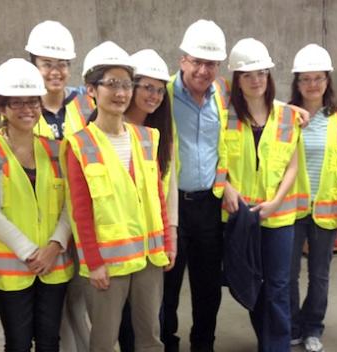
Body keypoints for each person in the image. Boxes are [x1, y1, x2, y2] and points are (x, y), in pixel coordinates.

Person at [61, 41, 175, 352]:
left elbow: (157, 196)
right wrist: (93, 262)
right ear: (91, 90)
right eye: (111, 84)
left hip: (149, 258)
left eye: (125, 84)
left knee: (150, 337)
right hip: (106, 265)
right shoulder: (80, 144)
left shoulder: (147, 137)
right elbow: (79, 211)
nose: (121, 92)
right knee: (104, 341)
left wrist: (167, 241)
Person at [0, 58, 73, 351]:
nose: (27, 110)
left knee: (49, 340)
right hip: (11, 268)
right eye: (16, 103)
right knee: (17, 343)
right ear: (2, 109)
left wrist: (54, 246)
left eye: (32, 102)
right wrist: (31, 253)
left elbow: (71, 204)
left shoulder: (56, 150)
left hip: (54, 263)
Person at [217, 37, 301, 351]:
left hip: (278, 217)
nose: (256, 80)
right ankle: (266, 337)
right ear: (236, 80)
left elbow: (293, 164)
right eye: (248, 74)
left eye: (262, 73)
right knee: (251, 283)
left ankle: (276, 346)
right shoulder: (224, 116)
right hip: (241, 216)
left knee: (278, 287)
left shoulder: (288, 116)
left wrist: (277, 200)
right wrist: (226, 187)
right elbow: (215, 160)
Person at [24, 20, 93, 352]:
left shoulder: (85, 106)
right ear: (33, 65)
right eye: (47, 64)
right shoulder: (22, 109)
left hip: (86, 219)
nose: (56, 71)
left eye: (62, 65)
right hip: (48, 223)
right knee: (57, 308)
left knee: (84, 301)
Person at [162, 19, 229, 352]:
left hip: (209, 206)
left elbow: (262, 100)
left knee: (208, 288)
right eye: (197, 61)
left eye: (212, 63)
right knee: (168, 287)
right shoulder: (160, 94)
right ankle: (168, 345)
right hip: (171, 206)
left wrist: (290, 107)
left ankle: (204, 344)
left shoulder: (223, 94)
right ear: (182, 60)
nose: (204, 70)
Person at [288, 44, 337, 352]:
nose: (312, 85)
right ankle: (292, 326)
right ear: (297, 83)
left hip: (327, 211)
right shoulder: (288, 117)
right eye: (305, 79)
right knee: (287, 274)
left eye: (318, 78)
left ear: (327, 81)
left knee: (320, 275)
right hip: (291, 210)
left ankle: (313, 327)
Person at [118, 48, 177, 352]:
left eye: (159, 90)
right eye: (147, 88)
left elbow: (169, 186)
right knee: (123, 324)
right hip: (120, 244)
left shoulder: (160, 132)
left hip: (154, 243)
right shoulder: (112, 128)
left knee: (152, 321)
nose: (153, 96)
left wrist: (172, 235)